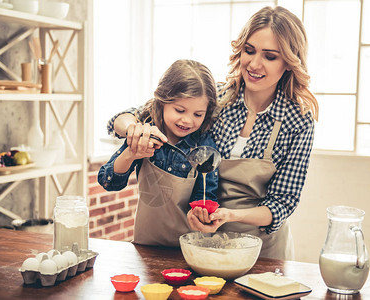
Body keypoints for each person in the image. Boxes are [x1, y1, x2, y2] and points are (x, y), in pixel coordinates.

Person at [106, 6, 318, 260]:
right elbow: (124, 118)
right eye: (249, 51)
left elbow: (282, 203)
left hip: (262, 249)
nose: (254, 63)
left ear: (289, 62)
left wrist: (229, 215)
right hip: (204, 241)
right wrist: (134, 130)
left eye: (270, 56)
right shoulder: (213, 99)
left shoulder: (299, 121)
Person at [98, 59, 219, 247]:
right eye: (180, 110)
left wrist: (202, 213)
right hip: (145, 246)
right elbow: (108, 181)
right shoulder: (146, 132)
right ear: (162, 102)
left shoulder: (205, 145)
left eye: (198, 114)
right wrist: (132, 153)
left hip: (190, 249)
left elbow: (206, 194)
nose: (187, 120)